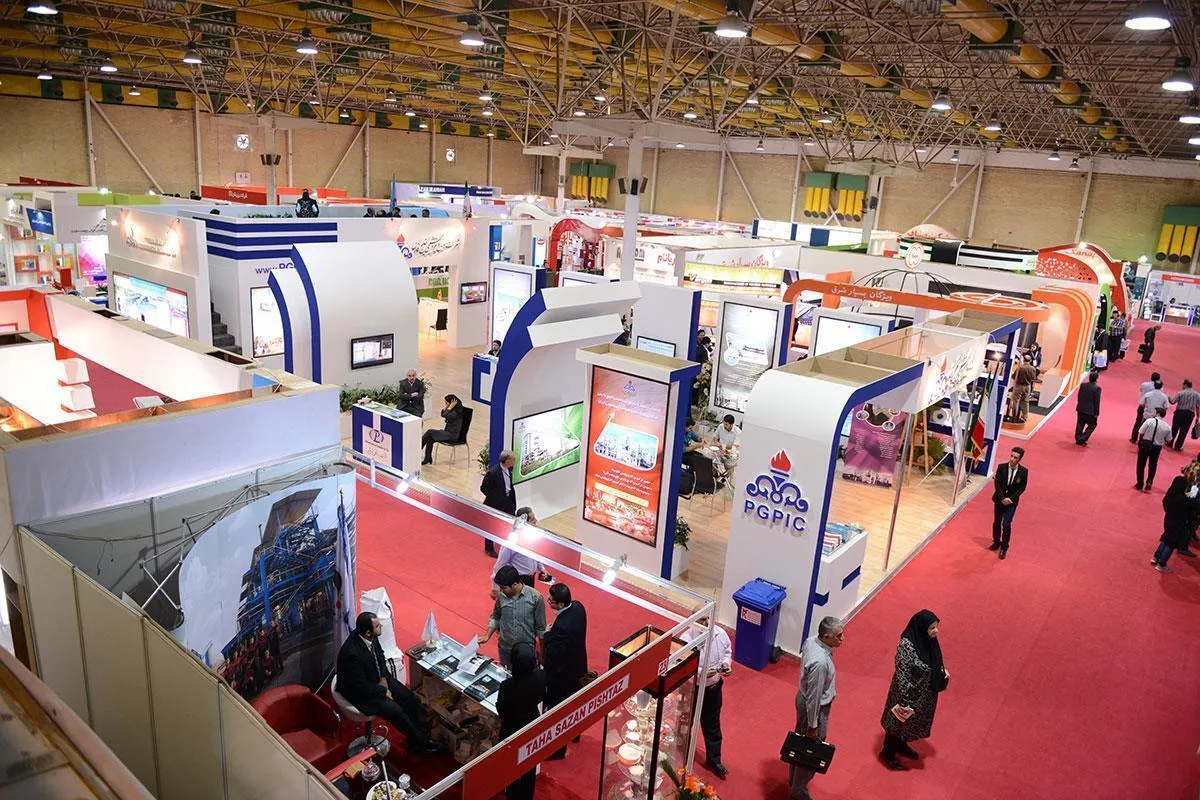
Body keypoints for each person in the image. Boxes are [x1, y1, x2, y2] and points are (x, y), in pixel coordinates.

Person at [336, 612, 438, 755]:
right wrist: (383, 691)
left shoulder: (371, 637)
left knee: (409, 698)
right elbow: (360, 686)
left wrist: (384, 679)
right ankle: (422, 744)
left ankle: (416, 738)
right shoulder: (352, 654)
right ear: (368, 632)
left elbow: (380, 657)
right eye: (378, 626)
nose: (381, 626)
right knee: (397, 712)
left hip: (377, 679)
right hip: (361, 694)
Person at [879, 610, 949, 771]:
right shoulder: (907, 646)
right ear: (921, 628)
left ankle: (902, 745)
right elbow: (902, 675)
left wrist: (940, 673)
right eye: (932, 628)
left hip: (923, 695)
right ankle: (888, 753)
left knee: (909, 725)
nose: (936, 631)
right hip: (907, 696)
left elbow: (935, 661)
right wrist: (905, 701)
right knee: (897, 724)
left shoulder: (928, 640)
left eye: (936, 626)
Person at [790, 617, 845, 800]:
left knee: (799, 742)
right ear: (826, 637)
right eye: (838, 636)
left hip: (803, 697)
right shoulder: (820, 663)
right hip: (814, 709)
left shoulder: (812, 640)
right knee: (809, 751)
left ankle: (793, 779)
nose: (842, 639)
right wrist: (813, 726)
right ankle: (799, 792)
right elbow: (814, 697)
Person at [542, 582, 588, 759]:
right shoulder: (578, 607)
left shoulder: (562, 627)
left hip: (561, 676)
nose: (549, 602)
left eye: (551, 601)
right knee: (574, 705)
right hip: (577, 667)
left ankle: (557, 750)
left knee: (558, 712)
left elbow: (554, 653)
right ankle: (575, 734)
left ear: (561, 604)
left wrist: (547, 635)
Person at [495, 642, 545, 800]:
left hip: (511, 732)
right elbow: (542, 697)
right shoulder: (540, 678)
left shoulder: (507, 686)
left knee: (511, 773)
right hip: (531, 728)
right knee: (529, 769)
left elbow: (501, 709)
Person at [689, 619, 732, 779]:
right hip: (693, 690)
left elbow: (727, 651)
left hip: (713, 689)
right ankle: (680, 755)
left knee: (713, 725)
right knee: (685, 723)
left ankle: (714, 760)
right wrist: (702, 673)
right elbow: (683, 664)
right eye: (701, 619)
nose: (706, 622)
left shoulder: (720, 634)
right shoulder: (687, 638)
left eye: (707, 618)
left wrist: (726, 664)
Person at [482, 565, 546, 668]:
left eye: (503, 588)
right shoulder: (501, 596)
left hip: (525, 652)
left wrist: (542, 654)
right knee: (505, 674)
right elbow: (496, 616)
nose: (501, 591)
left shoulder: (535, 598)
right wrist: (487, 636)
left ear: (515, 584)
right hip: (504, 648)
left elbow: (541, 628)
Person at [493, 507, 552, 585]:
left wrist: (542, 569)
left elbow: (535, 556)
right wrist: (495, 586)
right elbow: (500, 564)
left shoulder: (533, 536)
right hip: (518, 580)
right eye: (532, 519)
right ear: (524, 523)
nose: (536, 521)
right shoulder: (513, 540)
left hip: (530, 578)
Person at [1152, 476, 1198, 573]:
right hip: (1177, 524)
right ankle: (1162, 564)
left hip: (1168, 520)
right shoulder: (1182, 500)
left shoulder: (1170, 495)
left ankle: (1156, 557)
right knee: (1171, 544)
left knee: (1165, 539)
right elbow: (1193, 505)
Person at [990, 446, 1027, 559]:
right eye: (1011, 456)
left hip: (1011, 502)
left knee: (1006, 524)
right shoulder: (1001, 467)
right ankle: (996, 541)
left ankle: (1004, 547)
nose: (1012, 459)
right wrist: (1002, 498)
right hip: (999, 500)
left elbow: (1022, 487)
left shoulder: (1023, 471)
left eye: (1015, 457)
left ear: (1020, 459)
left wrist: (1011, 499)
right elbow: (997, 484)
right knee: (997, 522)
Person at [479, 451, 517, 556]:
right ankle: (489, 548)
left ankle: (507, 543)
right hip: (495, 504)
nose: (515, 461)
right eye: (513, 459)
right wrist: (495, 496)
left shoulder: (509, 469)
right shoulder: (493, 472)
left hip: (508, 501)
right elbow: (483, 488)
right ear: (507, 460)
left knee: (510, 523)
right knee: (491, 526)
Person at [420, 394, 463, 465]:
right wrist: (448, 407)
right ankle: (428, 458)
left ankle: (417, 449)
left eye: (446, 403)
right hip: (447, 432)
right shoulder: (453, 410)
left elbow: (445, 415)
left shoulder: (456, 413)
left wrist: (449, 407)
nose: (445, 404)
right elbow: (443, 415)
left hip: (452, 435)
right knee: (430, 438)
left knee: (430, 432)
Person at [1135, 406, 1170, 492]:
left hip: (1145, 444)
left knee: (1141, 464)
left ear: (1157, 413)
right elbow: (1168, 439)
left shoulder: (1149, 421)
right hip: (1157, 447)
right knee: (1153, 465)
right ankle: (1149, 482)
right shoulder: (1167, 426)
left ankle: (1140, 483)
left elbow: (1141, 432)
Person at [1132, 379, 1169, 443]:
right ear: (1161, 386)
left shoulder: (1148, 394)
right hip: (1157, 417)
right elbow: (1166, 407)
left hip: (1147, 416)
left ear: (1154, 385)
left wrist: (1147, 407)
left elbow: (1141, 403)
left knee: (1143, 430)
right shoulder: (1164, 396)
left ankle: (1141, 443)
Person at [1168, 379, 1200, 451]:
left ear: (1185, 385)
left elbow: (1172, 402)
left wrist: (1168, 398)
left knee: (1174, 428)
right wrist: (1198, 416)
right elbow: (1198, 407)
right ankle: (1178, 446)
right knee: (1184, 431)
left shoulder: (1180, 393)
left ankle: (1170, 443)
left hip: (1179, 413)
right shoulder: (1197, 395)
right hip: (1189, 414)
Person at [1074, 370, 1101, 445]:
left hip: (1080, 408)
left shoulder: (1083, 385)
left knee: (1080, 423)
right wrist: (1096, 413)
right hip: (1090, 411)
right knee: (1092, 425)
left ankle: (1078, 437)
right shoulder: (1097, 388)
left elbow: (1079, 396)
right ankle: (1082, 438)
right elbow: (1096, 402)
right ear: (1096, 379)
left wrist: (1079, 404)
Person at [1009, 356, 1038, 423]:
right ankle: (1024, 417)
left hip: (1019, 386)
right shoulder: (1033, 368)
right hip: (1027, 386)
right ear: (1030, 360)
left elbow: (1014, 376)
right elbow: (1033, 378)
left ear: (1023, 360)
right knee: (1025, 402)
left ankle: (1014, 416)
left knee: (1015, 401)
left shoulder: (1020, 368)